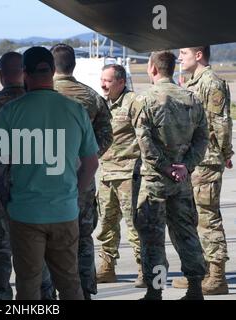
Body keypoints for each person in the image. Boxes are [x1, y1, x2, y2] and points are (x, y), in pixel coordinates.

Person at [0, 46, 99, 300]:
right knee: (70, 283)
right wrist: (74, 194)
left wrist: (7, 204)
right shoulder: (76, 110)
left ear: (24, 73)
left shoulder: (10, 112)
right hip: (64, 211)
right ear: (52, 72)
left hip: (25, 213)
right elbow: (91, 163)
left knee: (28, 285)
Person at [0, 52, 55, 300]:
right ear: (23, 72)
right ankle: (45, 296)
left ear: (0, 75)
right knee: (38, 252)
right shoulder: (42, 103)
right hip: (37, 190)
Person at [133, 51, 209, 300]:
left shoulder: (144, 99)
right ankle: (195, 288)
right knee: (186, 232)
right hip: (182, 181)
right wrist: (185, 166)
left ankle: (155, 291)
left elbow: (144, 142)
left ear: (153, 69)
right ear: (172, 69)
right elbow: (202, 138)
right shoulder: (192, 98)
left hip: (156, 182)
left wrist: (164, 167)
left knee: (153, 238)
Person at [50, 43, 113, 298]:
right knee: (83, 239)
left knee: (48, 241)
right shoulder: (91, 96)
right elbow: (107, 134)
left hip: (49, 180)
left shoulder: (43, 94)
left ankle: (49, 293)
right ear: (73, 65)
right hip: (82, 180)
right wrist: (88, 157)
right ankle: (85, 291)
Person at [172, 46, 234, 295]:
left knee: (208, 219)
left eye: (184, 53)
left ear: (198, 55)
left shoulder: (212, 82)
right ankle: (201, 273)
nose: (179, 57)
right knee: (195, 218)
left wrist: (225, 152)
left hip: (206, 160)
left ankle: (217, 276)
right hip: (193, 160)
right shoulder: (192, 82)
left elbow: (221, 123)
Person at [95, 64, 143, 287]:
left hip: (128, 174)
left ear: (121, 82)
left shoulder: (133, 102)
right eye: (102, 79)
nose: (103, 84)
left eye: (108, 80)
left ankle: (144, 269)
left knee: (135, 224)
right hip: (106, 173)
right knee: (106, 223)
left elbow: (146, 136)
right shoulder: (101, 104)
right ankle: (107, 266)